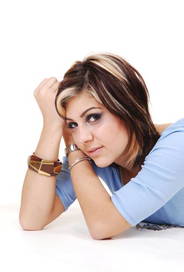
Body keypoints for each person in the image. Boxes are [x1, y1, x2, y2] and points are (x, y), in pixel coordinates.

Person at [19, 53, 184, 239]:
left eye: (93, 117)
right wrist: (52, 125)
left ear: (126, 107)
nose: (82, 138)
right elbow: (32, 218)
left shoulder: (178, 144)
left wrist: (72, 150)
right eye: (72, 124)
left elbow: (102, 226)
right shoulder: (97, 154)